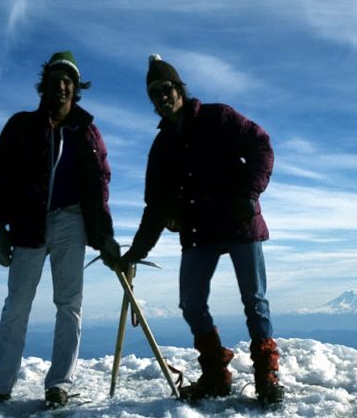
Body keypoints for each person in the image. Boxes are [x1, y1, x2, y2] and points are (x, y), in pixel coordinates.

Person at [118, 54, 284, 406]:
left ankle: (267, 377)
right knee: (191, 302)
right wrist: (136, 252)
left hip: (240, 221)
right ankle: (215, 373)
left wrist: (250, 192)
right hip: (199, 230)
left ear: (179, 88)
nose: (161, 97)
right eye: (154, 94)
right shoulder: (161, 147)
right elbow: (156, 207)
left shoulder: (218, 117)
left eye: (165, 89)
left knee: (255, 301)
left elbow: (261, 144)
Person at [0, 51, 120, 410]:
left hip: (72, 221)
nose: (62, 85)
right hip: (28, 222)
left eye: (68, 80)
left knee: (69, 305)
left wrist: (105, 235)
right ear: (45, 85)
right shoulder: (21, 126)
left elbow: (100, 185)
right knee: (16, 306)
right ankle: (0, 385)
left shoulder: (86, 131)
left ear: (76, 88)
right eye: (56, 79)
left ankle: (59, 385)